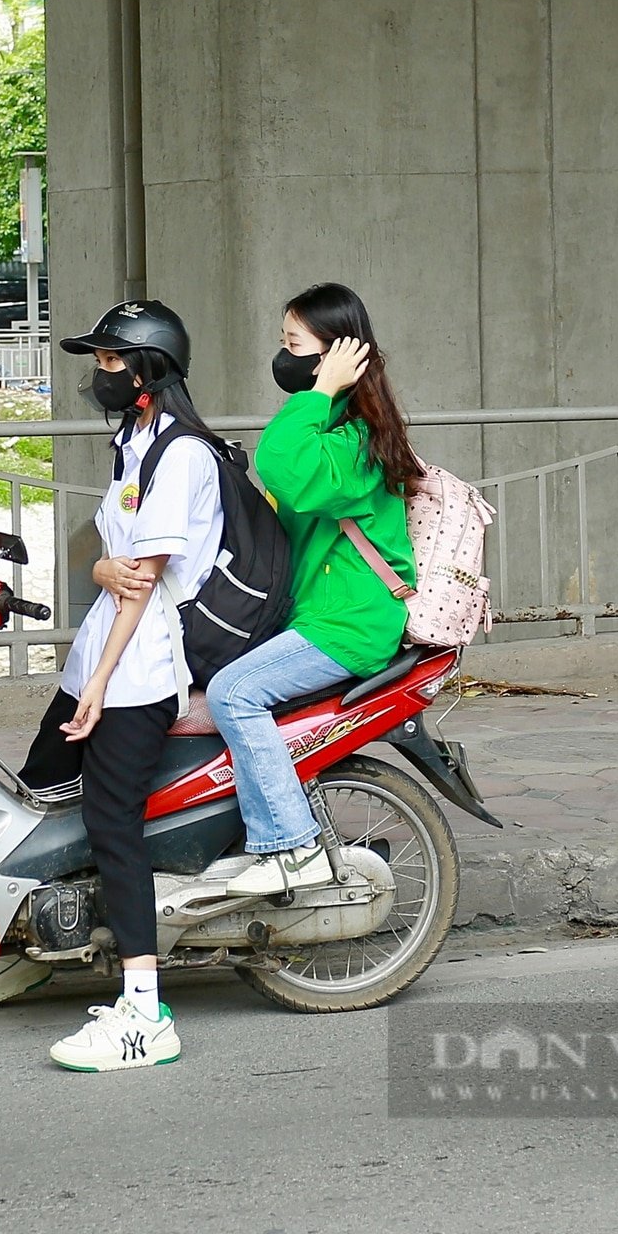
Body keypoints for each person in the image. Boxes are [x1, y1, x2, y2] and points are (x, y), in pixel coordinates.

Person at [0, 299, 223, 1073]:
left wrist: (96, 685)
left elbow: (144, 585)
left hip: (140, 671)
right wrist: (96, 582)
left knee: (110, 822)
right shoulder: (135, 442)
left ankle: (143, 1010)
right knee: (36, 791)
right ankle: (23, 950)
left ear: (150, 368)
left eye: (109, 360)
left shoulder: (183, 454)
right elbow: (112, 562)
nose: (99, 374)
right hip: (99, 659)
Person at [206, 281, 424, 896]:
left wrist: (324, 389)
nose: (284, 356)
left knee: (234, 694)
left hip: (350, 622)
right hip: (312, 617)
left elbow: (289, 472)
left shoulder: (361, 438)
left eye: (294, 343)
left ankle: (291, 849)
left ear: (337, 354)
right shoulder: (326, 420)